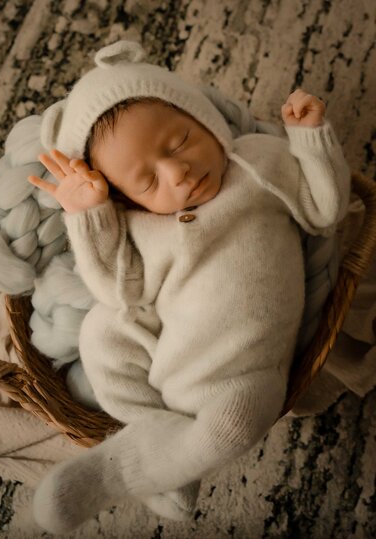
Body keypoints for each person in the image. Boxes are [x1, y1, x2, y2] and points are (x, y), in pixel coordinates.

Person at [28, 40, 351, 533]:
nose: (177, 172)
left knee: (238, 423)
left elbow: (324, 211)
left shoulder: (260, 161)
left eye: (180, 142)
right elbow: (121, 293)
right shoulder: (140, 228)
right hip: (162, 350)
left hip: (244, 366)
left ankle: (130, 467)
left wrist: (309, 139)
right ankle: (158, 436)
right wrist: (89, 215)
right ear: (127, 200)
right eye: (147, 181)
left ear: (203, 120)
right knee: (102, 335)